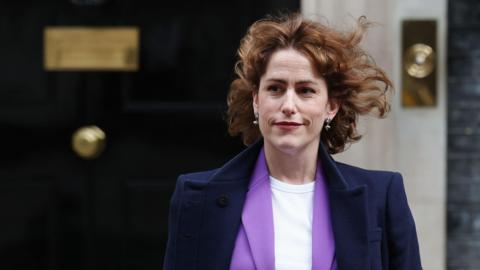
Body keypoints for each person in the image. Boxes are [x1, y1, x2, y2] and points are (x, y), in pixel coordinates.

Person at [164, 13, 422, 270]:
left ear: (331, 106)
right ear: (256, 100)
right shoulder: (196, 195)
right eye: (275, 88)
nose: (288, 106)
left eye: (306, 90)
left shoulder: (381, 196)